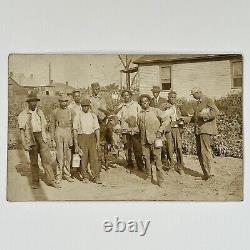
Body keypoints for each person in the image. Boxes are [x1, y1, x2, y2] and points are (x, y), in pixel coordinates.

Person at [17, 92, 60, 189]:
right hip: (31, 138)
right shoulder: (23, 114)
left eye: (35, 101)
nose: (33, 103)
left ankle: (51, 180)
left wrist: (47, 137)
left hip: (41, 136)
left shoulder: (40, 112)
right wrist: (24, 143)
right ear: (28, 102)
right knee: (34, 161)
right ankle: (35, 181)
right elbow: (22, 130)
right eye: (31, 101)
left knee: (46, 159)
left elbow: (45, 126)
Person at [183, 87, 219, 180]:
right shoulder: (197, 103)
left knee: (205, 151)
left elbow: (215, 112)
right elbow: (195, 117)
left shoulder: (207, 100)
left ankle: (211, 174)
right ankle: (206, 174)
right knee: (200, 152)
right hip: (198, 131)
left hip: (205, 130)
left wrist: (202, 116)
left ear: (198, 92)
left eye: (193, 94)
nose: (193, 96)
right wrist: (184, 119)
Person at [137, 94, 170, 186]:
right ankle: (148, 176)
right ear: (140, 103)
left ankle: (160, 181)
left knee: (157, 159)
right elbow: (139, 127)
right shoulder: (139, 114)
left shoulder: (156, 111)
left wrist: (160, 130)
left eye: (146, 101)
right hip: (144, 140)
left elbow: (166, 120)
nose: (144, 103)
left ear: (149, 102)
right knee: (146, 159)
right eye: (142, 102)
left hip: (156, 139)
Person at [73, 98, 102, 184]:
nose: (86, 108)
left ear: (89, 106)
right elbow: (75, 130)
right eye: (84, 106)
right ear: (81, 106)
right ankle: (85, 176)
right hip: (82, 137)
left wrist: (98, 141)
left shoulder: (93, 115)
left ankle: (96, 176)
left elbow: (97, 129)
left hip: (92, 137)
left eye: (87, 106)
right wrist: (76, 144)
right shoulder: (77, 116)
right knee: (83, 158)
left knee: (94, 158)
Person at [116, 89, 144, 171]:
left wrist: (138, 126)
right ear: (122, 97)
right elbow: (117, 118)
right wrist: (119, 128)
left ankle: (140, 165)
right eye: (124, 96)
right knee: (127, 148)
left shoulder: (136, 105)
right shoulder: (121, 106)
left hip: (135, 130)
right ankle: (130, 164)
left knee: (137, 148)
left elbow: (140, 116)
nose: (126, 97)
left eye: (128, 95)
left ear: (130, 96)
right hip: (125, 130)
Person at [50, 94, 74, 184]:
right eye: (62, 101)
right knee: (59, 155)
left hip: (68, 132)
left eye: (65, 101)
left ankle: (67, 174)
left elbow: (73, 126)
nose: (64, 103)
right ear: (59, 102)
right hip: (59, 131)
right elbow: (52, 125)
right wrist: (52, 139)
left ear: (67, 102)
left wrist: (72, 137)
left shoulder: (71, 111)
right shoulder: (55, 112)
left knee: (68, 155)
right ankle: (59, 175)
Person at [161, 91, 184, 174]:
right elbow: (161, 115)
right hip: (168, 128)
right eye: (171, 97)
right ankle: (170, 165)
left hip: (177, 129)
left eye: (174, 97)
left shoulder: (178, 106)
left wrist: (181, 127)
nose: (173, 99)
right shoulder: (164, 106)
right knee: (169, 147)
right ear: (168, 98)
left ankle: (180, 166)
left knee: (178, 147)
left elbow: (181, 117)